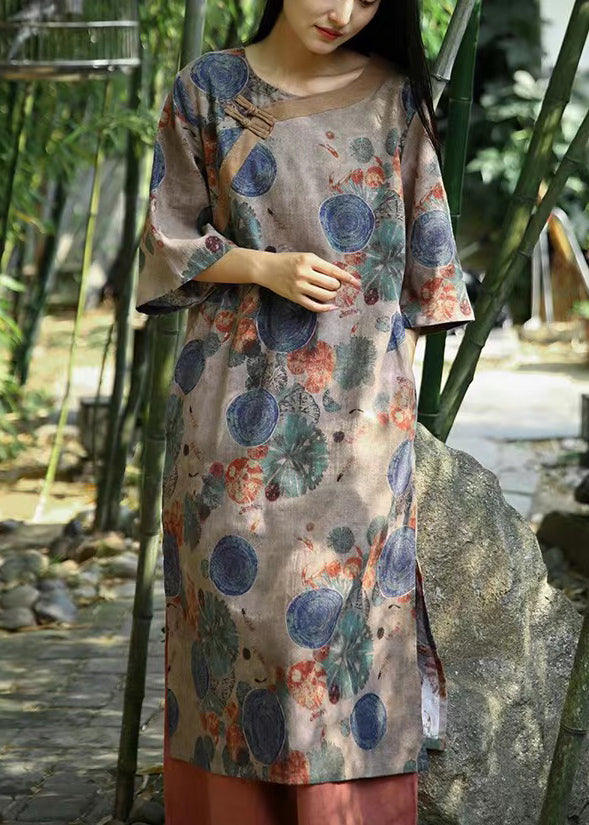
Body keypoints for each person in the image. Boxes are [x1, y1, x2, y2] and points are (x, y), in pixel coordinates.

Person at [135, 0, 475, 821]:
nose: (343, 12)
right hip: (228, 412)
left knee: (345, 652)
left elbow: (429, 272)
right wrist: (264, 266)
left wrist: (389, 410)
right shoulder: (206, 86)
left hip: (361, 423)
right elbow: (165, 235)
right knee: (233, 633)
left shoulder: (395, 98)